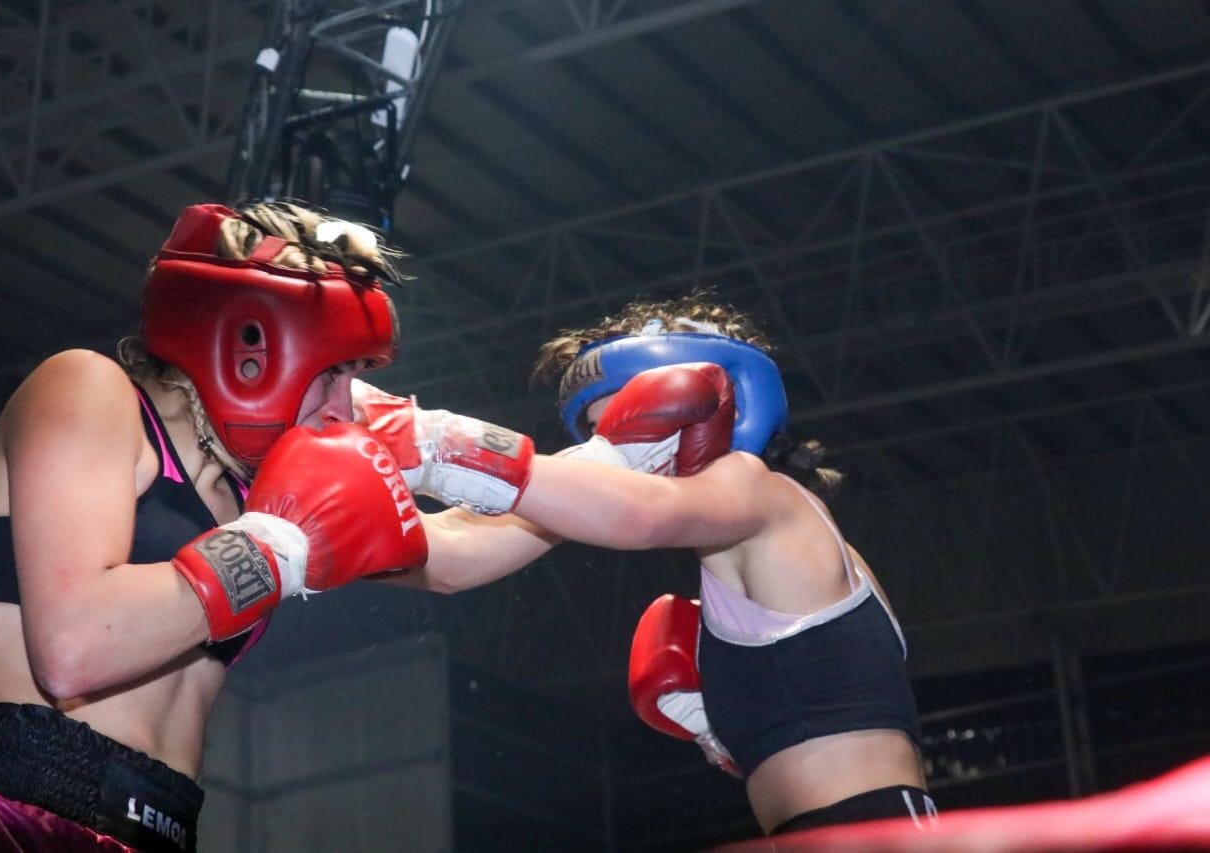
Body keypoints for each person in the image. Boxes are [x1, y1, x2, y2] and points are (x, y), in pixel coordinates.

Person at [0, 201, 430, 852]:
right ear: (250, 346)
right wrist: (279, 544)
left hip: (166, 822)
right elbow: (72, 650)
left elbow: (454, 555)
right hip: (29, 811)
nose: (343, 409)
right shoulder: (88, 390)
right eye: (332, 370)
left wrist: (584, 454)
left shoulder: (258, 495)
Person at [358, 290, 935, 839]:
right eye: (607, 433)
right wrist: (330, 539)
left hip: (871, 833)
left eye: (644, 422)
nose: (630, 453)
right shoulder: (749, 549)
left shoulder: (763, 492)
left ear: (711, 400)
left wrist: (422, 436)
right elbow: (459, 559)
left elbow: (638, 517)